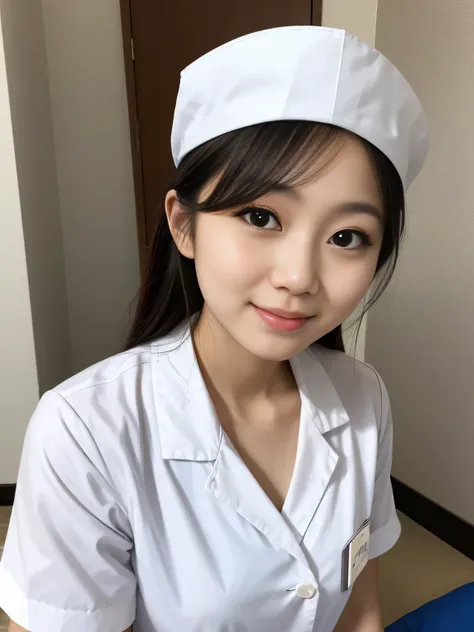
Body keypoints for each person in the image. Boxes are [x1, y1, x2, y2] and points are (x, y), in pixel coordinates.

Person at [0, 25, 428, 632]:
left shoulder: (364, 398)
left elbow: (360, 610)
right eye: (261, 216)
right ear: (184, 225)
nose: (298, 276)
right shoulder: (83, 432)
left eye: (346, 237)